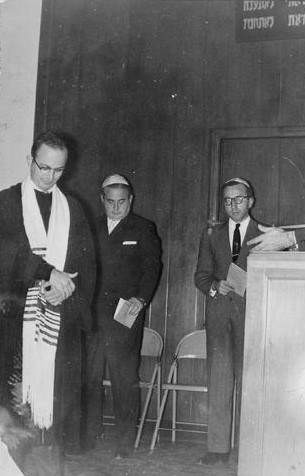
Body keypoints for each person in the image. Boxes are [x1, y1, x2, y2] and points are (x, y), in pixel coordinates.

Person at [0, 131, 96, 454]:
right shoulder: (6, 203)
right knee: (15, 416)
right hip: (14, 328)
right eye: (43, 168)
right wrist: (49, 274)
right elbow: (7, 254)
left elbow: (87, 264)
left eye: (58, 170)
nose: (49, 177)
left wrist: (67, 290)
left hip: (60, 324)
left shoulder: (73, 209)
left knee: (54, 421)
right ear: (30, 160)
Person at [84, 174, 161, 458]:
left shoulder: (143, 228)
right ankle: (88, 435)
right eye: (110, 202)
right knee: (88, 376)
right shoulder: (88, 227)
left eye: (122, 202)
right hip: (90, 314)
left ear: (131, 200)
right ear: (102, 200)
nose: (116, 208)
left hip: (124, 313)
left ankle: (124, 444)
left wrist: (140, 299)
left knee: (124, 378)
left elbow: (152, 268)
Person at [194, 177, 262, 466]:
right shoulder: (211, 234)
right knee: (220, 381)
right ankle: (217, 449)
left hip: (253, 317)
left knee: (250, 383)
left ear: (250, 201)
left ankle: (249, 448)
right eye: (227, 201)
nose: (233, 206)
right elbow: (200, 276)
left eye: (238, 199)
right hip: (220, 316)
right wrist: (215, 286)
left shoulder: (265, 234)